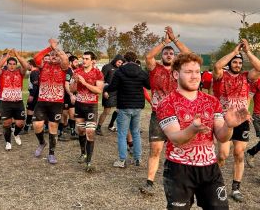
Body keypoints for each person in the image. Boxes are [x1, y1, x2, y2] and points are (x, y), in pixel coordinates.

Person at [156, 52, 250, 210]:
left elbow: (221, 137)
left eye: (196, 72)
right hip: (179, 168)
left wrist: (229, 125)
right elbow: (175, 138)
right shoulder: (166, 103)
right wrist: (193, 129)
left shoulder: (212, 101)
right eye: (188, 72)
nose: (194, 76)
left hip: (209, 168)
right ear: (175, 74)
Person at [140, 26, 190, 195]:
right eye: (166, 53)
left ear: (175, 57)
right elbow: (148, 56)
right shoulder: (155, 69)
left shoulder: (179, 70)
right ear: (162, 56)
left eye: (171, 53)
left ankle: (179, 181)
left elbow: (189, 54)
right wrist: (164, 42)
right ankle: (149, 182)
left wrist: (175, 40)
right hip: (158, 115)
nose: (169, 55)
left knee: (178, 149)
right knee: (155, 149)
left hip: (177, 116)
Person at [213, 39, 260, 202]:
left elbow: (259, 68)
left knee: (239, 154)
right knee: (223, 154)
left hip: (242, 121)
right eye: (235, 62)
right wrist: (234, 52)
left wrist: (247, 52)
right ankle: (215, 184)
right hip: (224, 120)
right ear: (231, 63)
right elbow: (217, 66)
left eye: (240, 63)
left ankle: (235, 188)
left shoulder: (247, 78)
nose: (238, 64)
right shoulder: (221, 76)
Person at [106, 51, 150, 168]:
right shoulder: (141, 72)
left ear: (125, 60)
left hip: (124, 106)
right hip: (137, 106)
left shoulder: (120, 71)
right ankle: (137, 159)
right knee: (135, 132)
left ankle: (122, 160)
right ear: (136, 60)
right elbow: (149, 85)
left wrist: (105, 87)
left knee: (122, 133)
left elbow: (112, 87)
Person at [32, 39, 68, 164]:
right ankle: (42, 142)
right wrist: (49, 48)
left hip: (56, 102)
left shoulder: (63, 68)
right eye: (51, 55)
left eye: (56, 55)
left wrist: (57, 50)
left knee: (53, 127)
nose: (53, 56)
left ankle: (51, 153)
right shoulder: (43, 66)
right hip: (42, 101)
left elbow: (65, 60)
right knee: (37, 125)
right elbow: (36, 58)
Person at [72, 51, 104, 172]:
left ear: (92, 60)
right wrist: (75, 81)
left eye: (86, 59)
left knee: (90, 132)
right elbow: (72, 89)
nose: (84, 61)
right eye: (83, 59)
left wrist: (84, 83)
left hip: (91, 106)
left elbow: (99, 90)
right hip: (79, 105)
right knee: (80, 130)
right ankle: (83, 153)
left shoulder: (98, 73)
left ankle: (89, 162)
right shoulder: (77, 72)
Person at [0, 49, 29, 150]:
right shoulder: (2, 73)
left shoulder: (20, 72)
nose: (12, 65)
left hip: (18, 102)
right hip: (5, 102)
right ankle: (8, 142)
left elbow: (26, 66)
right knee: (7, 123)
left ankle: (16, 134)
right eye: (10, 64)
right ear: (7, 64)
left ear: (16, 65)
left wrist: (17, 55)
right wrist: (7, 56)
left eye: (14, 64)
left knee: (20, 123)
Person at [96, 54, 125, 135]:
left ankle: (111, 125)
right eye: (119, 62)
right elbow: (101, 80)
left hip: (118, 93)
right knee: (106, 111)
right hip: (108, 92)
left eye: (121, 63)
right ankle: (98, 127)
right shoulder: (107, 67)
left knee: (119, 110)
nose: (120, 64)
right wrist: (104, 91)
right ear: (115, 60)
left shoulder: (120, 69)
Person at [58, 55, 79, 141]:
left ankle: (73, 132)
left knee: (72, 114)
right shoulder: (68, 71)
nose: (77, 63)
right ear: (70, 62)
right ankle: (60, 133)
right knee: (64, 114)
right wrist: (70, 95)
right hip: (65, 96)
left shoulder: (73, 71)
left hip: (72, 96)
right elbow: (66, 85)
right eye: (76, 62)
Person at [23, 59, 39, 133]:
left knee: (30, 110)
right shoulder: (36, 71)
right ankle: (32, 125)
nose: (26, 66)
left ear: (31, 64)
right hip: (36, 94)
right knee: (33, 110)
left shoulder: (34, 72)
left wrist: (32, 95)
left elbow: (35, 85)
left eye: (27, 64)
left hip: (34, 94)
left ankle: (26, 128)